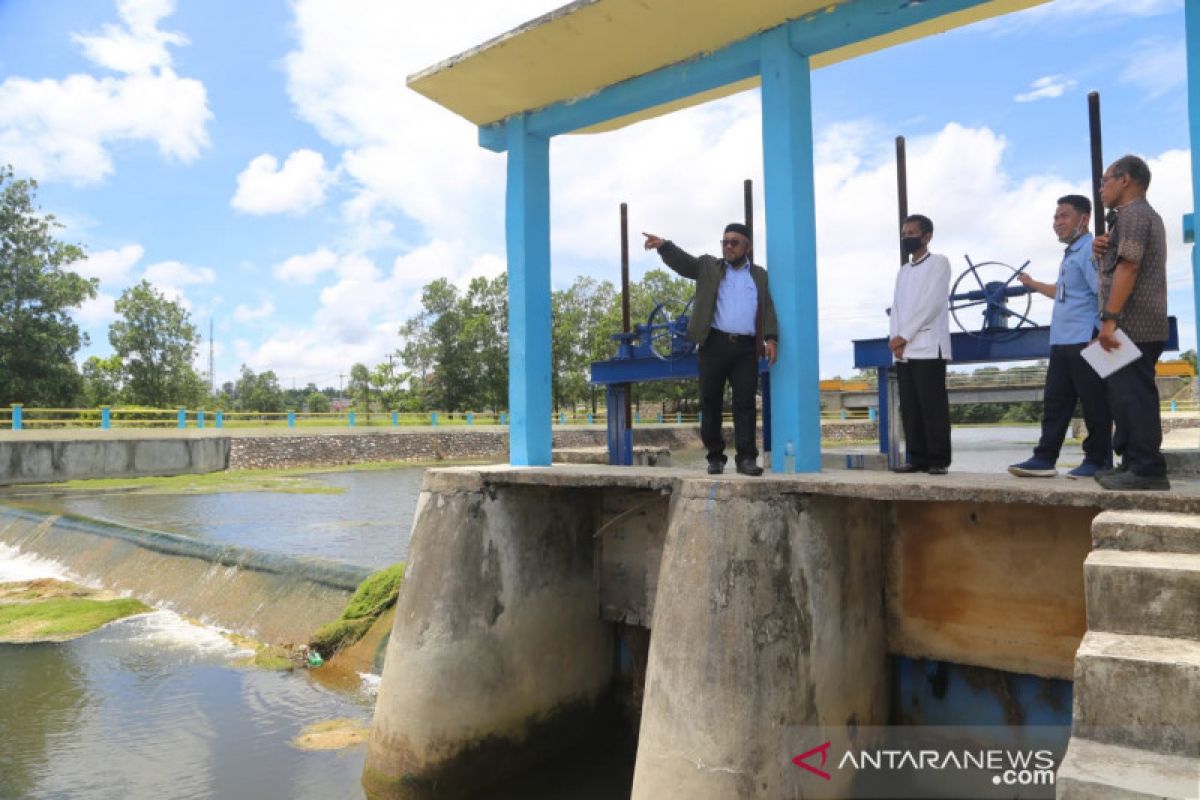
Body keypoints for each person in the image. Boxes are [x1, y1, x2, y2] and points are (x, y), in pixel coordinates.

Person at [643, 224, 778, 476]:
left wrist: (771, 338)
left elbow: (767, 306)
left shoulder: (759, 275)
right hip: (713, 344)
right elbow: (684, 264)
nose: (728, 246)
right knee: (710, 401)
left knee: (745, 403)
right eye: (724, 242)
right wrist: (664, 246)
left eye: (734, 242)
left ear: (747, 247)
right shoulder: (708, 267)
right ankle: (715, 457)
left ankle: (746, 459)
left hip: (747, 348)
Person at [1008, 195, 1112, 478]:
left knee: (1095, 403)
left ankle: (1098, 459)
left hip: (1085, 338)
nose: (1057, 223)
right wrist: (1032, 284)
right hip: (1062, 341)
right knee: (1055, 403)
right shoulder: (1071, 254)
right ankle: (1044, 458)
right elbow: (1062, 292)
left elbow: (1103, 292)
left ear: (1084, 219)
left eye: (1064, 216)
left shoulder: (1091, 251)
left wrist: (1102, 332)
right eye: (1055, 217)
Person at [1091, 155, 1170, 491]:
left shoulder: (1136, 214)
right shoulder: (1127, 218)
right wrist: (1101, 250)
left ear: (1125, 180)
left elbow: (1129, 267)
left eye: (1106, 180)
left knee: (1134, 395)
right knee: (1122, 395)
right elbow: (1117, 263)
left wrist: (1109, 321)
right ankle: (1132, 463)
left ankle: (1147, 468)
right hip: (1129, 324)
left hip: (1133, 324)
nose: (1101, 188)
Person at [889, 214, 952, 475]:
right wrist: (895, 340)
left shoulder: (939, 263)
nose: (907, 238)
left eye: (912, 233)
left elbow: (933, 303)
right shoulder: (903, 271)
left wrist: (905, 334)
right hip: (903, 349)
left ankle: (938, 460)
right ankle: (916, 457)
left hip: (928, 345)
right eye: (904, 233)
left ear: (927, 236)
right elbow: (897, 307)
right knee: (911, 406)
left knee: (932, 405)